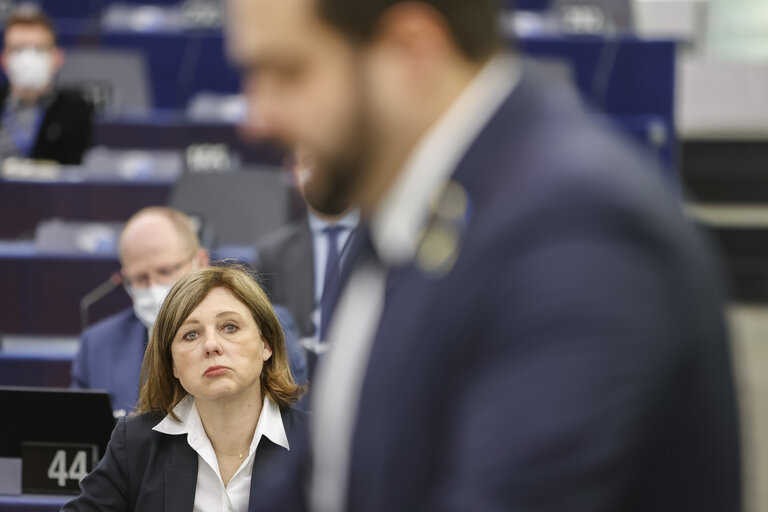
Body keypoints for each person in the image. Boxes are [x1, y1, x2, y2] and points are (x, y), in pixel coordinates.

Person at [227, 1, 742, 512]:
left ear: (411, 50)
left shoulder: (579, 228)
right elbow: (323, 481)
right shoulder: (401, 209)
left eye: (288, 72)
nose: (258, 118)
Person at [63, 265, 307, 512]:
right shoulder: (136, 444)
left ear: (266, 345)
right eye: (191, 334)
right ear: (173, 366)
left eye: (229, 327)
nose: (212, 345)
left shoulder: (319, 444)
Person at [72, 206, 307, 413]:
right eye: (141, 278)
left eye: (165, 271)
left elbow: (294, 422)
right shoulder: (96, 347)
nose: (154, 287)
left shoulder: (266, 324)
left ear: (201, 261)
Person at [255, 148, 359, 340]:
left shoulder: (386, 246)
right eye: (309, 161)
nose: (322, 172)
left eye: (332, 161)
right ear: (296, 172)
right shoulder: (273, 253)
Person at [0, 7, 93, 164]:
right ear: (4, 59)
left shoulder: (77, 110)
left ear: (57, 58)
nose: (27, 58)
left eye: (38, 48)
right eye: (18, 49)